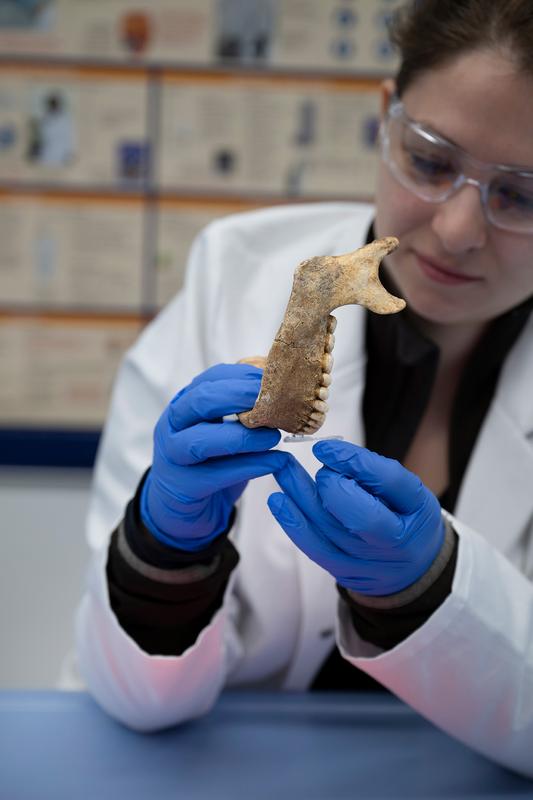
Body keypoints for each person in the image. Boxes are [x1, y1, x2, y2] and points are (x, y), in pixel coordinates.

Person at [74, 0, 533, 778]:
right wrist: (162, 554)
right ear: (386, 119)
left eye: (522, 197)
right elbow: (134, 698)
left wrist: (430, 593)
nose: (458, 229)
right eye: (428, 161)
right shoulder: (236, 277)